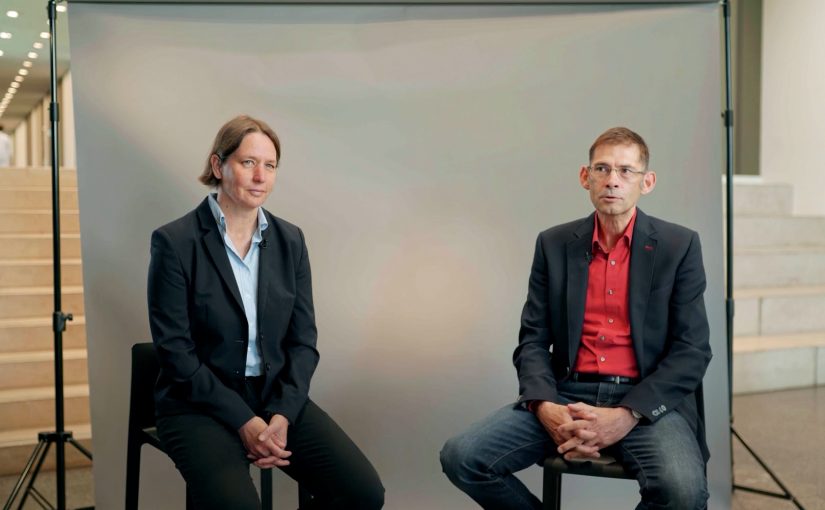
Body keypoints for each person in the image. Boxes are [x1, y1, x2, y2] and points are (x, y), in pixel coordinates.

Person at [440, 127, 712, 509]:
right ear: (585, 177)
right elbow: (533, 339)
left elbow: (693, 350)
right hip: (568, 393)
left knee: (683, 493)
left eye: (626, 171)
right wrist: (543, 404)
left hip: (644, 399)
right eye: (602, 168)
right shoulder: (554, 244)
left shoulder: (678, 245)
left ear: (646, 182)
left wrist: (628, 413)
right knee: (463, 456)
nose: (612, 180)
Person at [147, 115, 384, 510]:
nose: (260, 176)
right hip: (200, 404)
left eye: (270, 166)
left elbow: (303, 343)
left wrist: (282, 415)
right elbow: (175, 353)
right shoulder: (175, 242)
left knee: (362, 494)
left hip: (275, 397)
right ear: (219, 166)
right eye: (248, 163)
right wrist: (246, 421)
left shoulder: (291, 240)